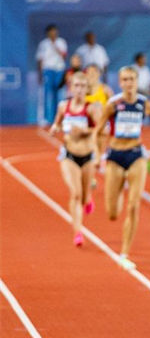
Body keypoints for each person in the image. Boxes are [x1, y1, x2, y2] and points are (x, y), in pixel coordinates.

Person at [94, 66, 150, 270]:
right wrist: (96, 155)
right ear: (120, 82)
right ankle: (118, 190)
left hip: (136, 155)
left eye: (132, 80)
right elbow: (98, 130)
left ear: (137, 82)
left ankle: (125, 253)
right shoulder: (113, 104)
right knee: (112, 212)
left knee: (134, 205)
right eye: (125, 80)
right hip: (115, 156)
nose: (129, 83)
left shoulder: (146, 104)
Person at [49, 72, 100, 246]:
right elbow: (57, 122)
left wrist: (84, 131)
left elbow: (101, 130)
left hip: (87, 156)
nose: (78, 90)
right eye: (76, 86)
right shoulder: (64, 106)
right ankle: (78, 232)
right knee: (76, 194)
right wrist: (55, 128)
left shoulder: (92, 108)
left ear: (87, 89)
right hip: (69, 155)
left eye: (82, 86)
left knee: (84, 196)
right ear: (71, 88)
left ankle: (89, 198)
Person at [36, 24, 67, 124]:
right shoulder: (43, 44)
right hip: (48, 70)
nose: (53, 33)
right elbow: (40, 60)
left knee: (58, 95)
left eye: (55, 31)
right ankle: (45, 118)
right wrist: (40, 74)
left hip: (59, 70)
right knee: (47, 94)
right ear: (47, 33)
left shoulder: (61, 42)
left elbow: (64, 56)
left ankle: (57, 118)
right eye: (51, 32)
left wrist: (55, 46)